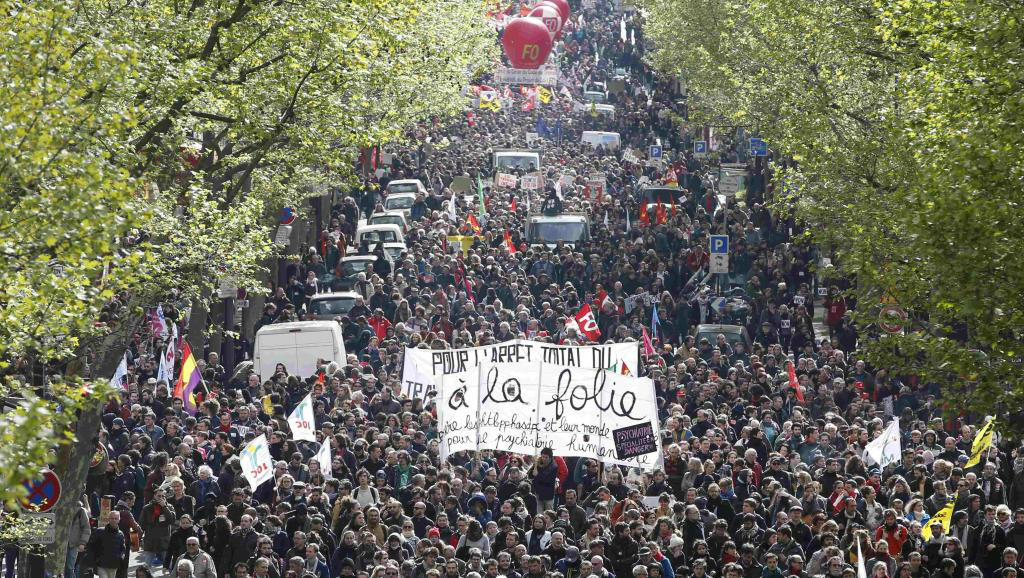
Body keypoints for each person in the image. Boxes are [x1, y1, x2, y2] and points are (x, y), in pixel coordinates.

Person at [88, 511, 128, 578]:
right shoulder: (100, 531)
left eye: (116, 518)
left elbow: (123, 549)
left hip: (113, 565)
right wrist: (94, 560)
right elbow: (92, 546)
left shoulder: (120, 534)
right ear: (108, 519)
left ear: (119, 520)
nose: (113, 520)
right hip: (101, 564)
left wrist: (120, 557)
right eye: (112, 518)